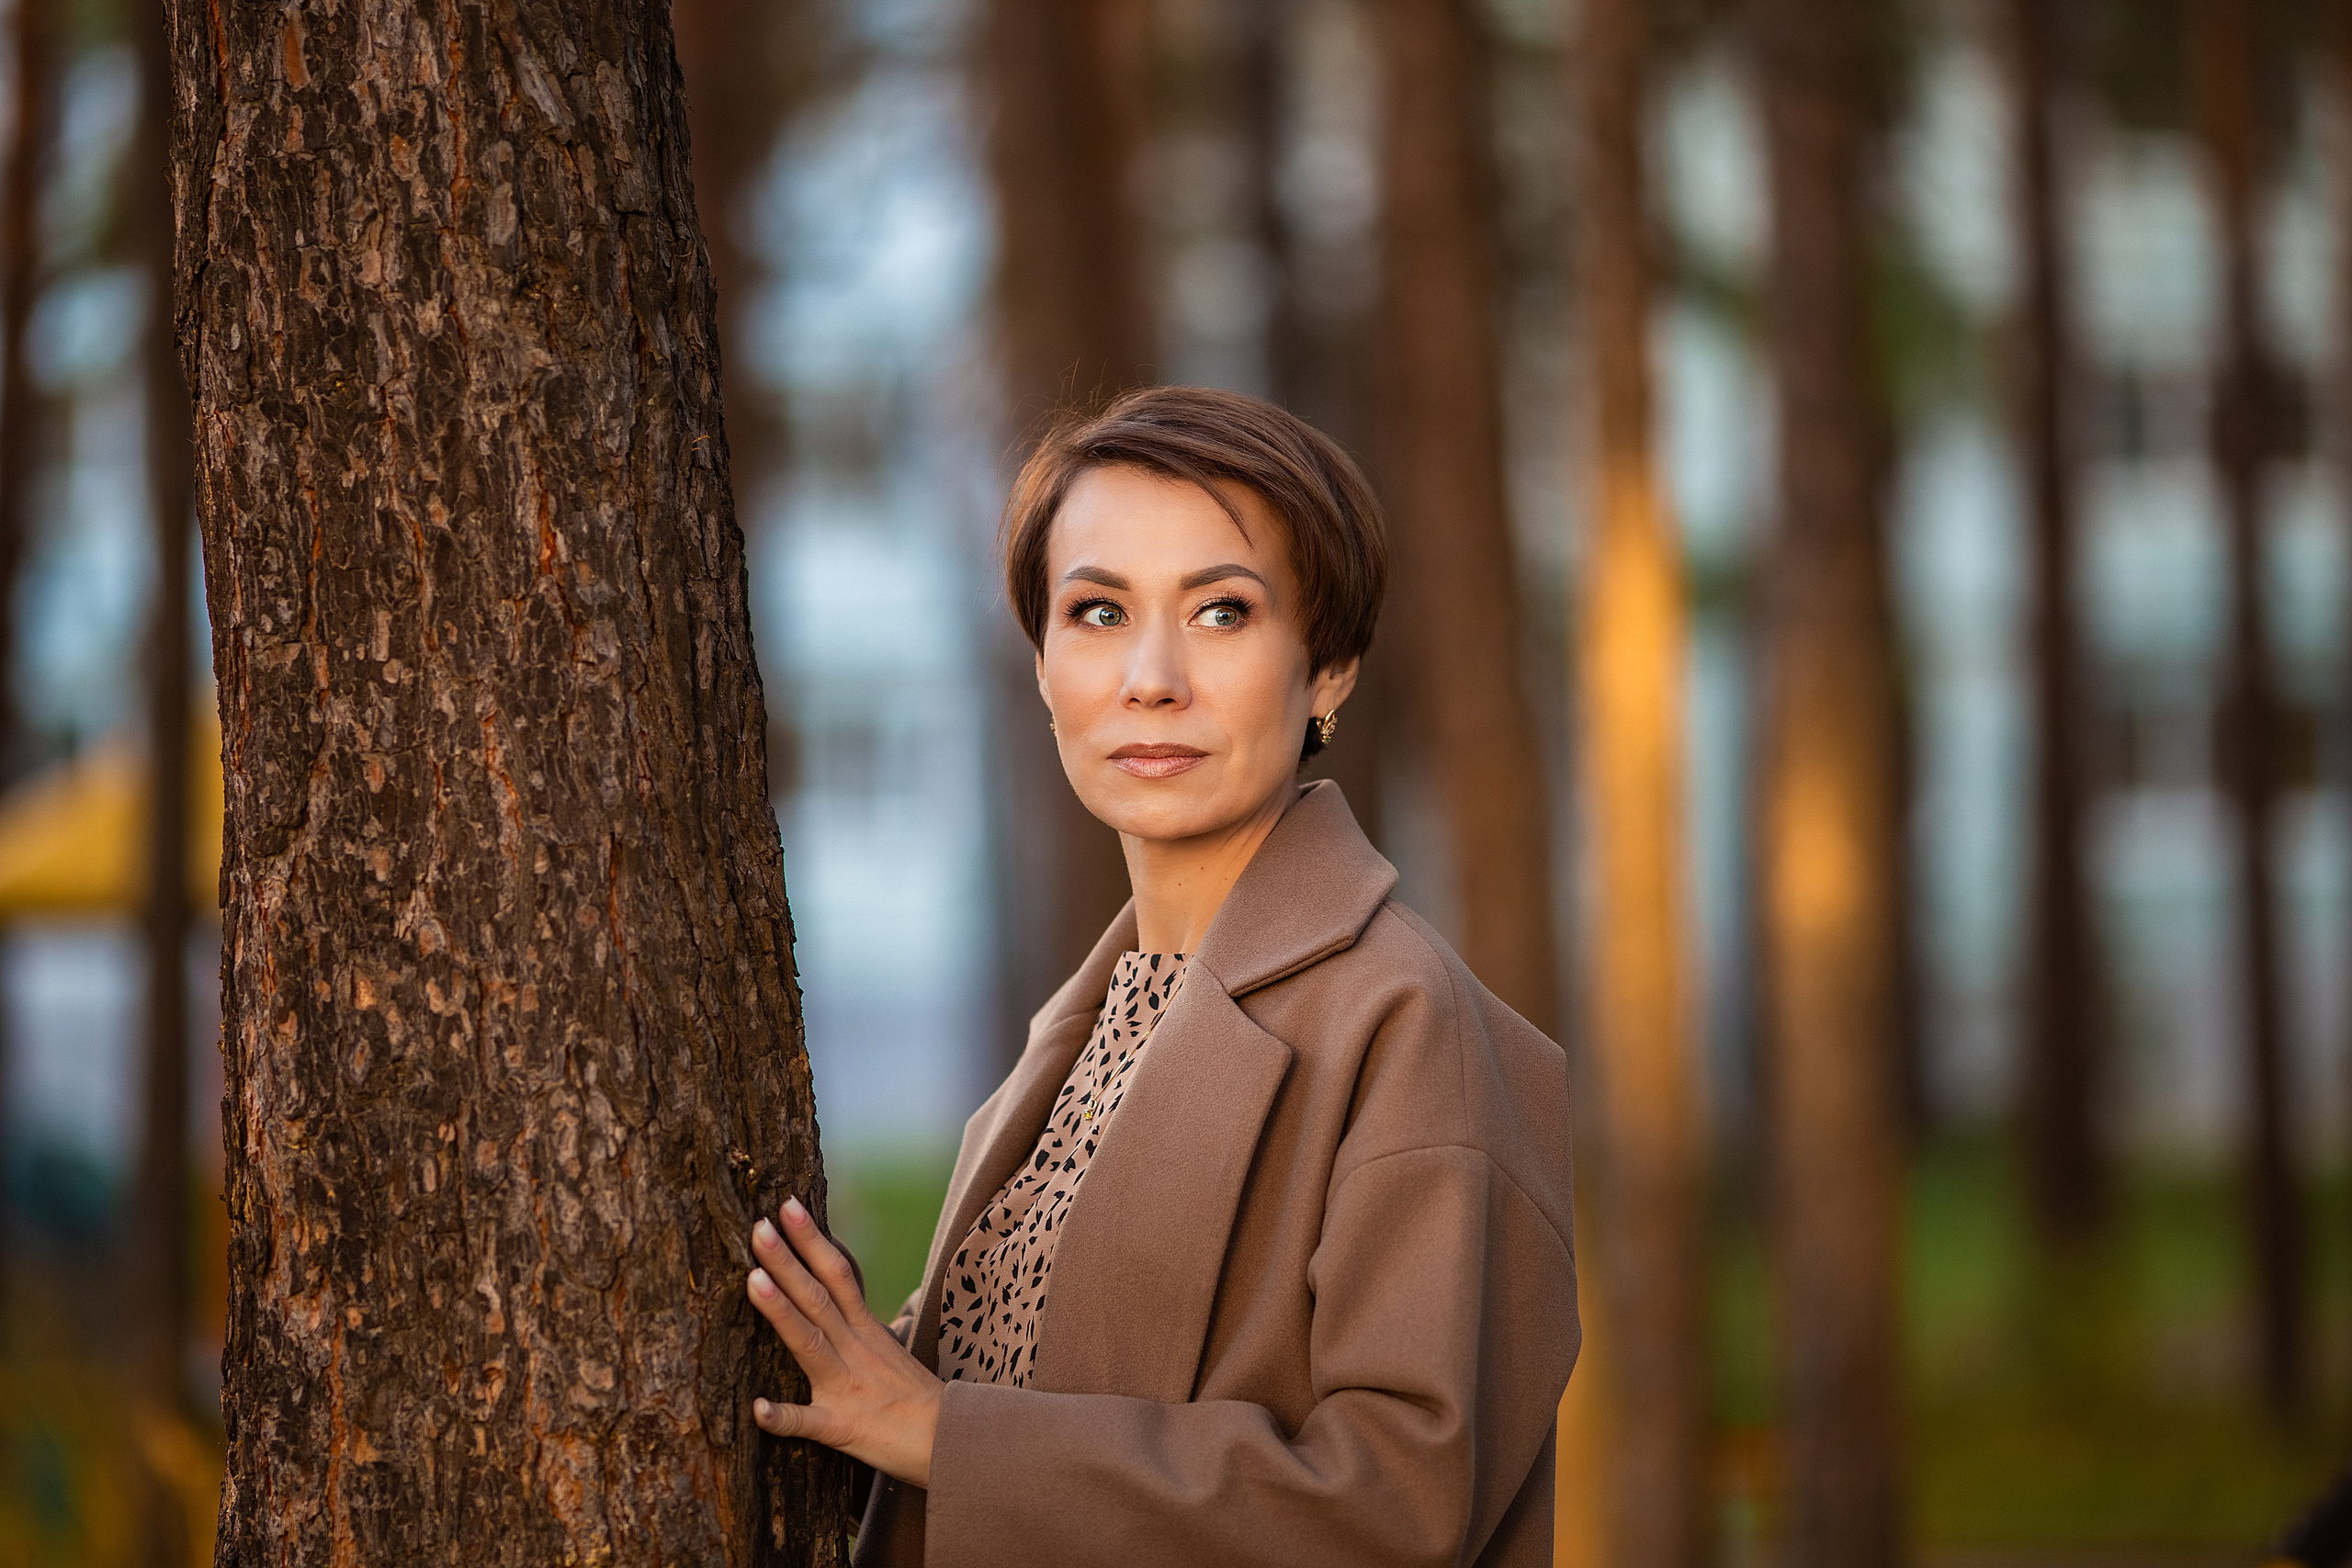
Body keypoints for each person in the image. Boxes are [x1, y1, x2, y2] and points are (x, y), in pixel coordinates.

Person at [739, 385, 1578, 1565]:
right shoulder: (1100, 1017)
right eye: (1095, 612)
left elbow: (1396, 1509)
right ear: (1040, 665)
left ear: (1327, 668)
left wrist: (946, 1438)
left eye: (1222, 613)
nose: (1150, 677)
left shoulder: (1404, 1023)